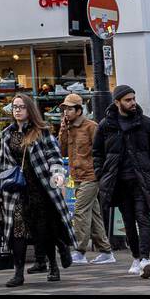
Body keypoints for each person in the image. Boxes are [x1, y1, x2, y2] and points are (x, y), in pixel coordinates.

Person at [0, 93, 75, 286]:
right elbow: (2, 164)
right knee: (18, 230)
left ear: (29, 109)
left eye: (21, 107)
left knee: (43, 229)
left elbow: (54, 156)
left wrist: (57, 175)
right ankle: (18, 273)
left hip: (41, 187)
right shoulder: (7, 133)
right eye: (15, 107)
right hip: (17, 189)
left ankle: (53, 266)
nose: (17, 110)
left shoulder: (42, 131)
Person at [93, 84, 150, 278]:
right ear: (117, 102)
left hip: (140, 179)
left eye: (134, 98)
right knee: (127, 221)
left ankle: (145, 258)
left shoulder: (146, 123)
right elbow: (97, 153)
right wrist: (102, 175)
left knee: (142, 217)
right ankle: (136, 257)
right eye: (128, 100)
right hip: (118, 181)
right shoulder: (106, 125)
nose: (133, 103)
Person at [59, 93, 116, 265]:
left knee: (80, 210)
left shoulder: (91, 127)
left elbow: (101, 151)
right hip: (76, 175)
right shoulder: (68, 128)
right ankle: (106, 252)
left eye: (69, 109)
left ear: (79, 110)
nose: (66, 112)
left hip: (91, 175)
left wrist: (101, 172)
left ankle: (79, 250)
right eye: (64, 109)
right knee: (94, 214)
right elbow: (61, 151)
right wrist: (62, 130)